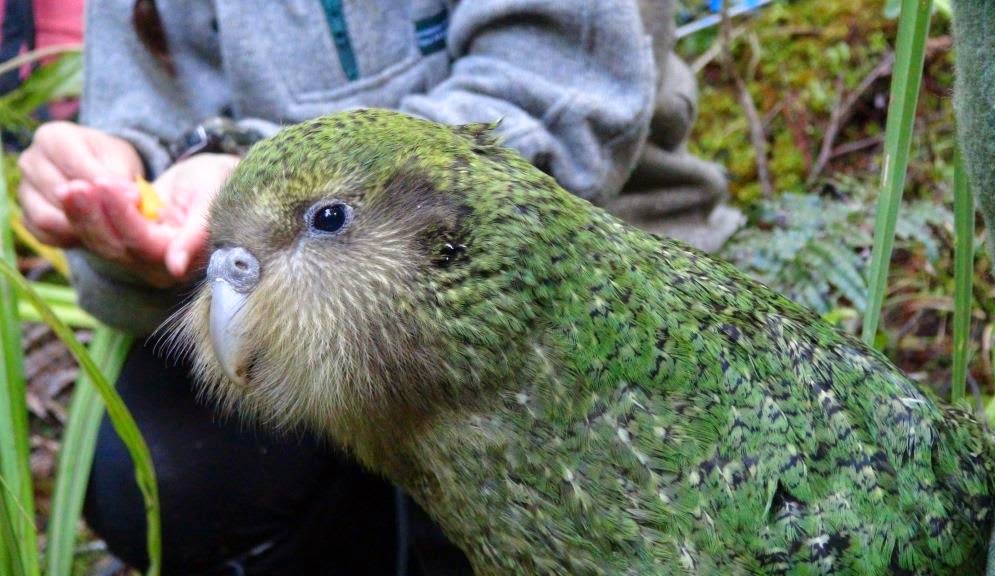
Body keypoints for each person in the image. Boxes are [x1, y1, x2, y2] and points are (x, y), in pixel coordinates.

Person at [17, 1, 737, 574]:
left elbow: (559, 100)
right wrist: (119, 201)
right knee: (159, 477)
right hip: (296, 294)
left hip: (563, 275)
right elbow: (140, 207)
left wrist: (248, 174)